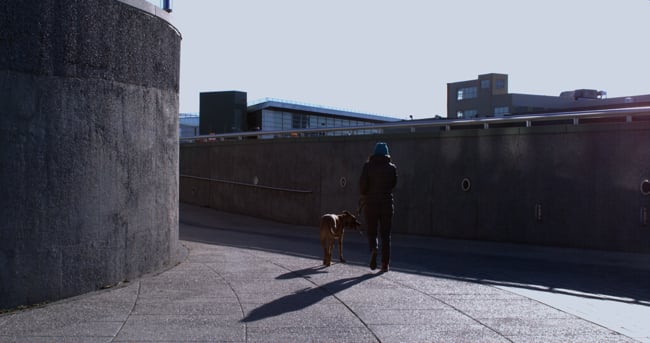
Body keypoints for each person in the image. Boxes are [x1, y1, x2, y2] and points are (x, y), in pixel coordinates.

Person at [359, 142, 397, 272]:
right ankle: (385, 264)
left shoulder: (367, 166)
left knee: (372, 232)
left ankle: (374, 249)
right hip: (387, 204)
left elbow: (362, 187)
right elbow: (393, 184)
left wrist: (366, 193)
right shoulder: (392, 168)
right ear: (387, 153)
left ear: (374, 153)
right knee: (386, 235)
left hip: (371, 204)